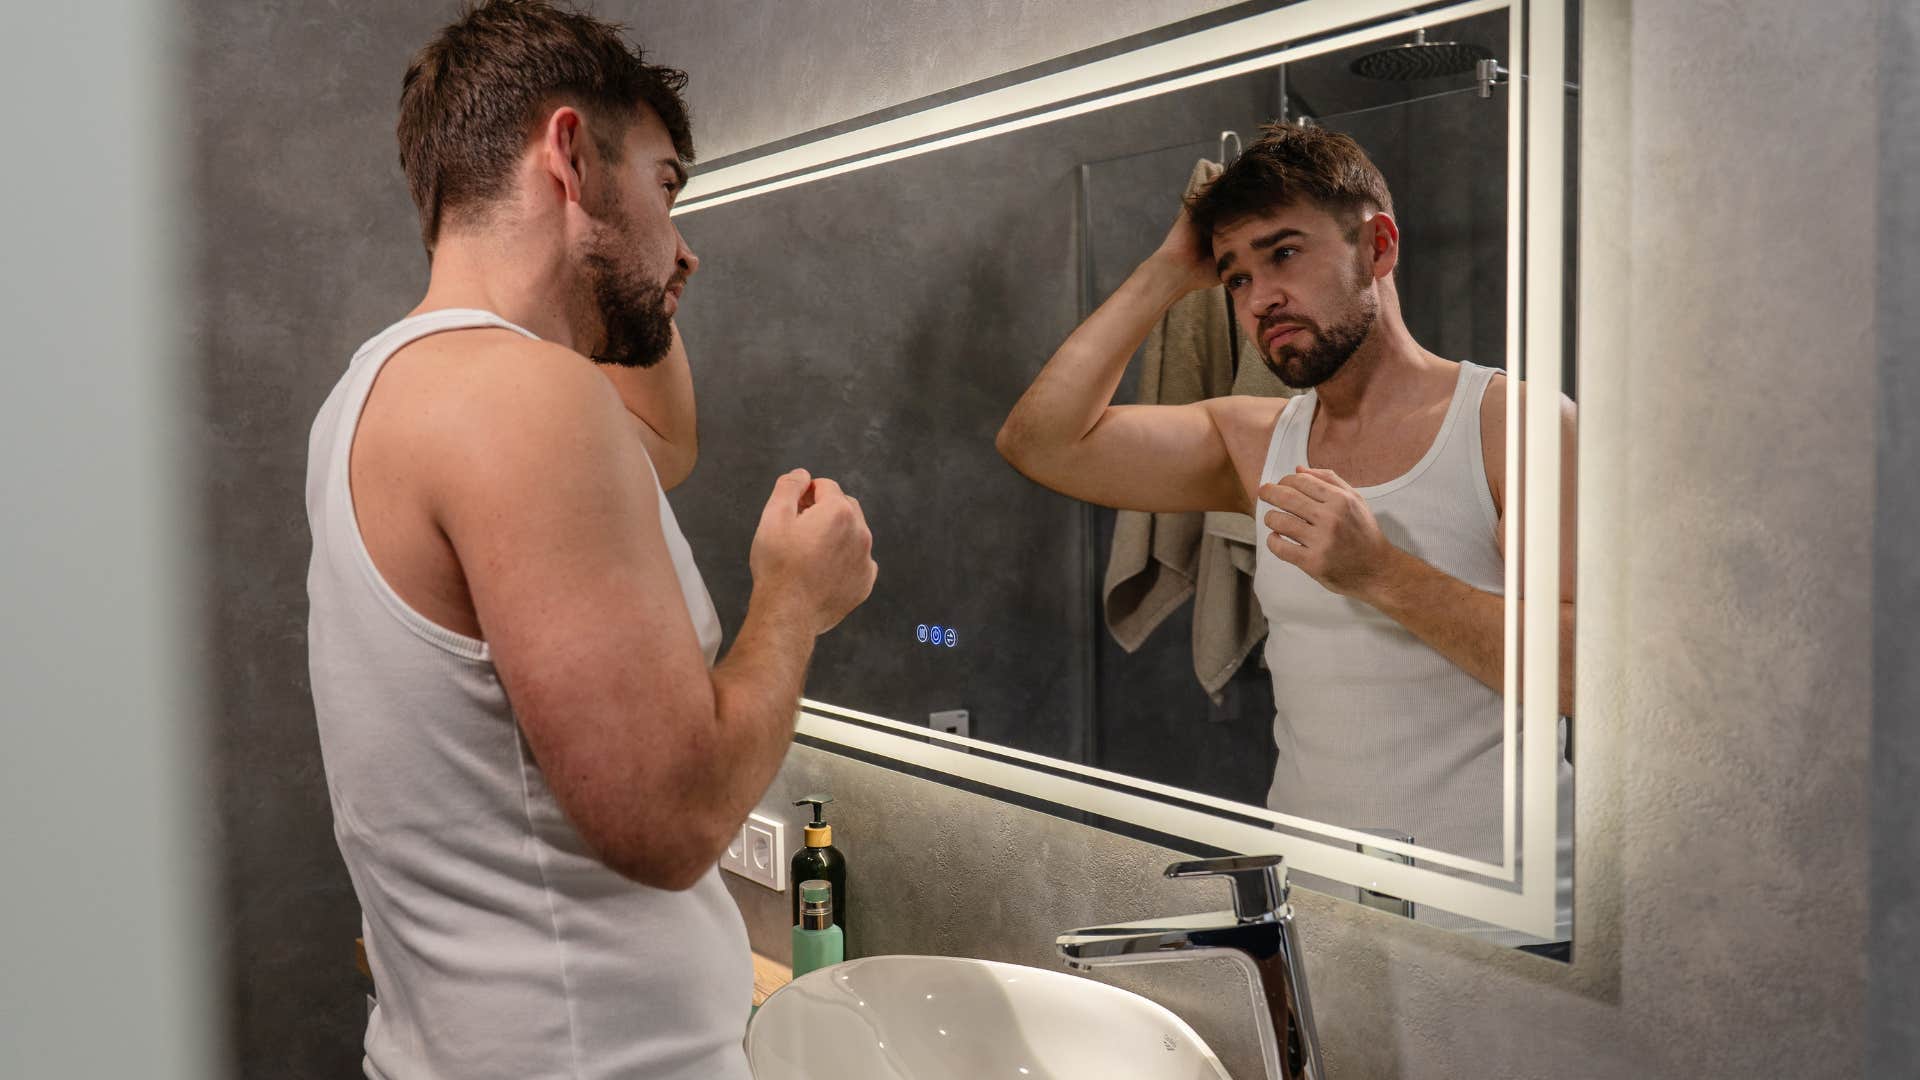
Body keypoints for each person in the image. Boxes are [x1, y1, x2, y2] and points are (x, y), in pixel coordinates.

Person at [304, 2, 876, 1076]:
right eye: (666, 187)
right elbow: (670, 820)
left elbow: (660, 440)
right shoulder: (528, 398)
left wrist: (643, 278)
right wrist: (793, 599)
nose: (684, 238)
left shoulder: (383, 389)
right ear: (569, 154)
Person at [997, 121, 1574, 870]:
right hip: (1312, 898)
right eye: (1236, 276)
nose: (1260, 298)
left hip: (1500, 914)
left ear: (1379, 247)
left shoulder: (1513, 424)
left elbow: (1587, 680)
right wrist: (1170, 271)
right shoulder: (1255, 441)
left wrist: (1381, 574)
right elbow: (1037, 441)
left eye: (1284, 254)